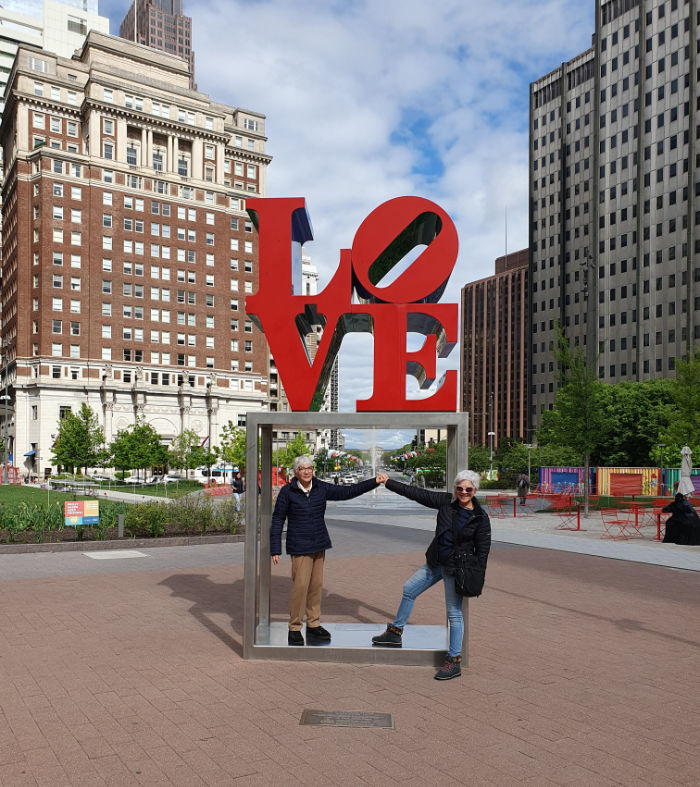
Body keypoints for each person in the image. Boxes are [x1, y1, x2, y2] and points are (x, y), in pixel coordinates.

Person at [372, 470, 491, 681]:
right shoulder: (446, 502)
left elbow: (483, 551)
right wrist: (389, 483)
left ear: (475, 491)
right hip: (436, 562)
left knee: (454, 614)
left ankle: (454, 661)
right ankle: (395, 632)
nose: (463, 492)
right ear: (455, 488)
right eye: (460, 488)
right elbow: (417, 493)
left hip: (456, 569)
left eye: (468, 489)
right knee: (409, 589)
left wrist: (476, 577)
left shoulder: (480, 518)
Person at [271, 456, 384, 646]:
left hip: (319, 544)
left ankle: (313, 624)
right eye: (302, 469)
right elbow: (277, 519)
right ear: (296, 472)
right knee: (300, 587)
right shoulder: (287, 491)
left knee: (316, 588)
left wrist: (374, 482)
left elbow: (348, 491)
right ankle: (294, 627)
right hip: (299, 546)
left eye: (309, 468)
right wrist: (275, 547)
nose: (307, 471)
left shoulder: (320, 487)